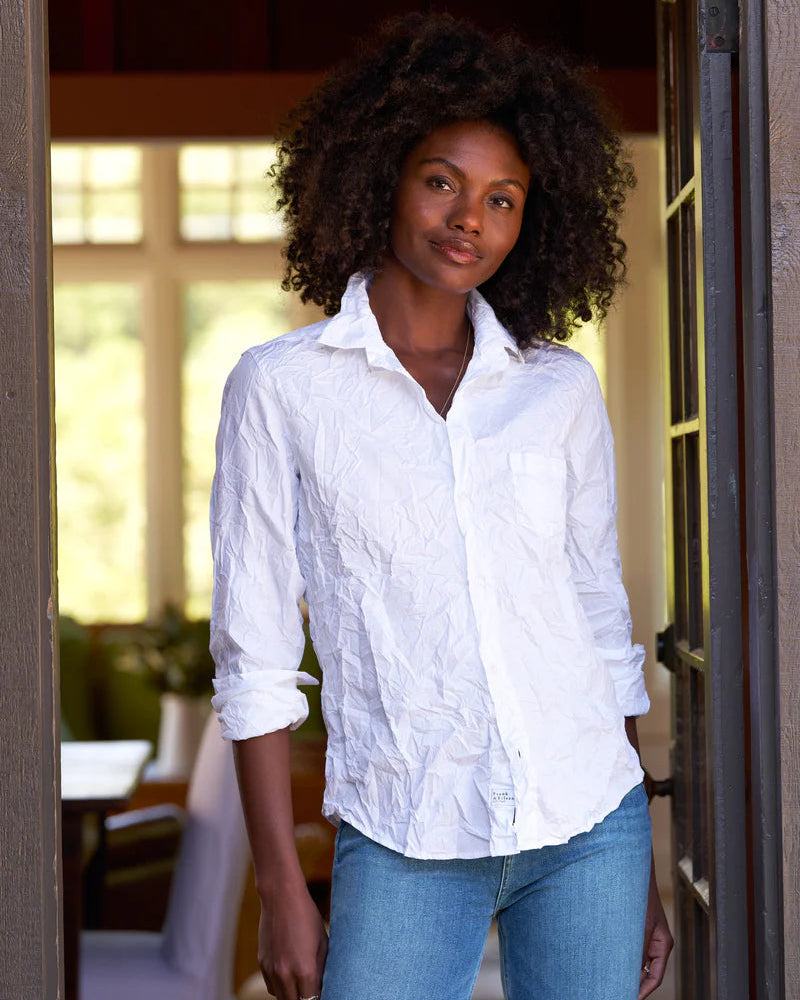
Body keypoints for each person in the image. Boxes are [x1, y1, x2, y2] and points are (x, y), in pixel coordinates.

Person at [209, 13, 673, 1000]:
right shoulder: (281, 388)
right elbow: (254, 663)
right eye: (440, 182)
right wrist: (281, 888)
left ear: (529, 223)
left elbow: (598, 627)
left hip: (588, 825)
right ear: (381, 175)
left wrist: (639, 865)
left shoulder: (557, 388)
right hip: (404, 830)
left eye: (501, 199)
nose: (469, 217)